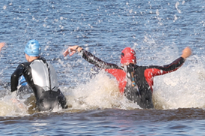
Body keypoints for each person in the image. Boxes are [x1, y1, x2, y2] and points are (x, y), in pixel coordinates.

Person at [63, 46, 192, 109]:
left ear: (122, 59)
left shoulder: (118, 71)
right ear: (135, 59)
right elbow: (170, 67)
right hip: (149, 114)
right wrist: (184, 56)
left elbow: (96, 61)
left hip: (128, 112)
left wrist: (79, 49)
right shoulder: (148, 70)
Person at [9, 40, 67, 112]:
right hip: (61, 101)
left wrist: (13, 97)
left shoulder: (25, 66)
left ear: (26, 53)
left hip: (45, 104)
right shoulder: (48, 64)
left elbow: (14, 76)